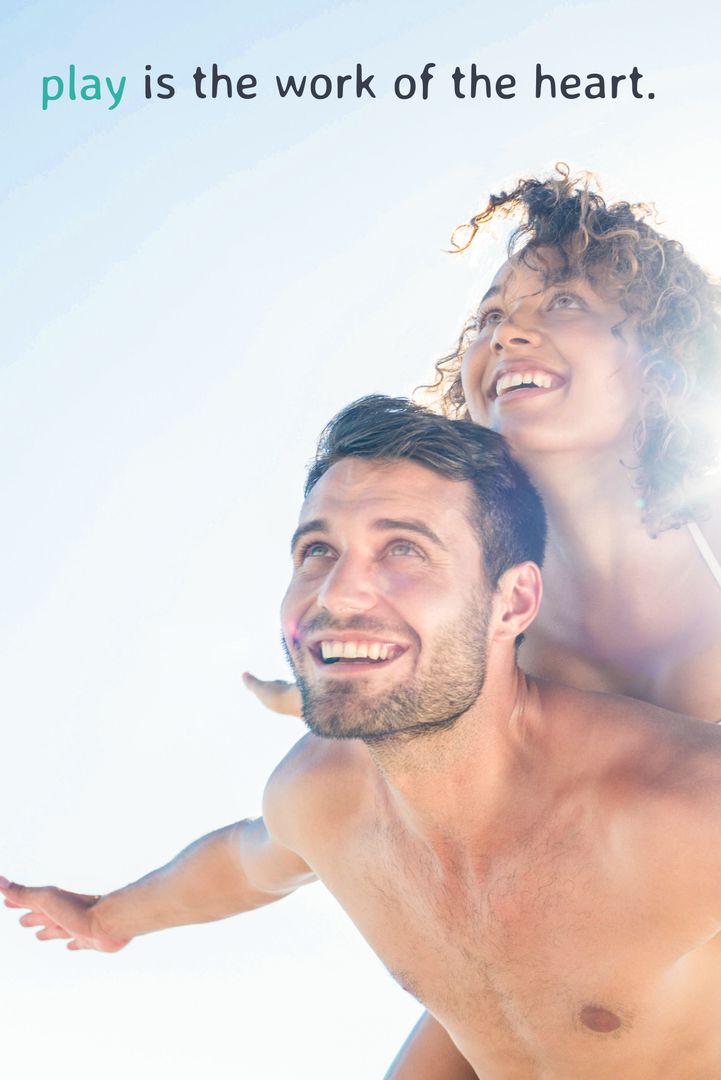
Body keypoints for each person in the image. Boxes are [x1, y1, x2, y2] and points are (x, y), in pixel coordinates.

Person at [5, 396, 721, 1080]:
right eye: (317, 551)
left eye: (403, 550)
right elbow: (245, 863)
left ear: (513, 602)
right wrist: (105, 918)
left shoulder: (679, 809)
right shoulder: (322, 797)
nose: (336, 594)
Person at [242, 168, 721, 1076]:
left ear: (661, 357)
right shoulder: (486, 587)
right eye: (491, 315)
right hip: (547, 965)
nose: (509, 330)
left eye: (566, 299)